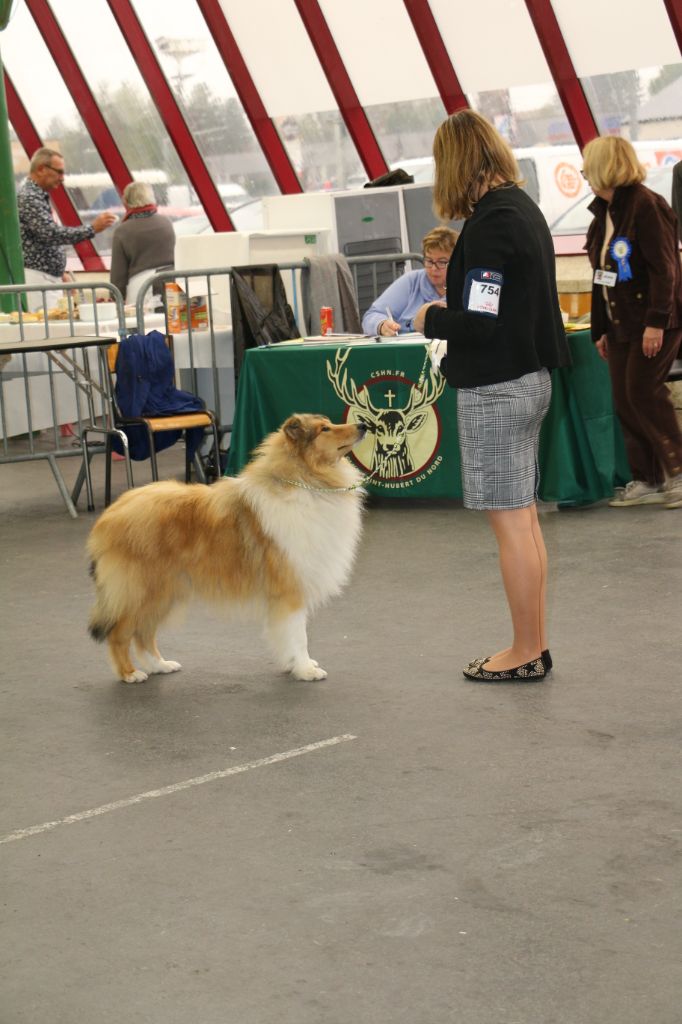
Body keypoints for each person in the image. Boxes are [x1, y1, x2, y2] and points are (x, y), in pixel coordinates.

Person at [412, 110, 570, 683]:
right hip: (528, 380)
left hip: (497, 388)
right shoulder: (523, 211)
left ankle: (525, 650)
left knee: (512, 523)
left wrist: (431, 317)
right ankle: (534, 642)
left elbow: (479, 321)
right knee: (523, 519)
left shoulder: (489, 226)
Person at [582, 136, 682, 510]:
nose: (584, 175)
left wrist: (656, 323)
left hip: (655, 321)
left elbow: (665, 270)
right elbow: (601, 277)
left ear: (606, 167)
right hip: (619, 323)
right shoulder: (604, 214)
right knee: (624, 399)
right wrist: (600, 330)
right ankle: (649, 478)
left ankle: (678, 472)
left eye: (587, 167)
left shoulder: (646, 206)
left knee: (644, 391)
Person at [17, 148, 116, 312]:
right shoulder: (29, 197)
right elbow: (51, 234)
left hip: (45, 277)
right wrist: (92, 229)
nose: (62, 178)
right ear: (41, 169)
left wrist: (59, 271)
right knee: (48, 330)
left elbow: (45, 237)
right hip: (38, 278)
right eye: (59, 172)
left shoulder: (36, 196)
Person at [361, 226, 458, 337]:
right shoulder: (412, 281)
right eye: (429, 261)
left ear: (456, 262)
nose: (434, 268)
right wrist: (381, 325)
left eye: (442, 262)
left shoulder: (467, 287)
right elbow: (371, 315)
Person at [109, 181, 175, 305]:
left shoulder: (123, 231)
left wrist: (115, 297)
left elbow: (118, 275)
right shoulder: (166, 223)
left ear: (126, 202)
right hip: (172, 284)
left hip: (141, 289)